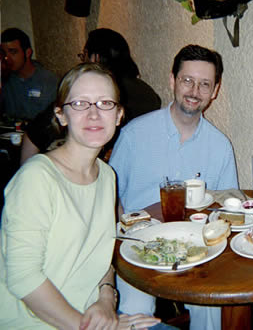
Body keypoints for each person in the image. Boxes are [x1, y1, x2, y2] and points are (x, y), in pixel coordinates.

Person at [0, 63, 168, 329]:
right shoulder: (36, 179)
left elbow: (100, 254)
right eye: (80, 103)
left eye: (105, 103)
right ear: (61, 115)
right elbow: (23, 278)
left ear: (119, 115)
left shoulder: (106, 176)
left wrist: (106, 298)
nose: (93, 114)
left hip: (92, 315)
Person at [109, 44, 239, 330]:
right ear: (172, 80)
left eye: (205, 84)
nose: (194, 91)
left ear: (215, 90)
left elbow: (227, 209)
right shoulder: (134, 134)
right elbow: (109, 195)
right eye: (187, 80)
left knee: (213, 311)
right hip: (139, 248)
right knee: (133, 317)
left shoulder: (220, 146)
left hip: (196, 248)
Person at [20, 28, 162, 164]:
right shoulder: (149, 94)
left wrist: (25, 169)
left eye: (84, 55)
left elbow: (33, 134)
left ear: (95, 58)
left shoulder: (83, 91)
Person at [0, 28, 58, 121]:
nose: (7, 58)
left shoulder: (48, 81)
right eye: (4, 53)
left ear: (27, 53)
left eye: (13, 52)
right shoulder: (6, 79)